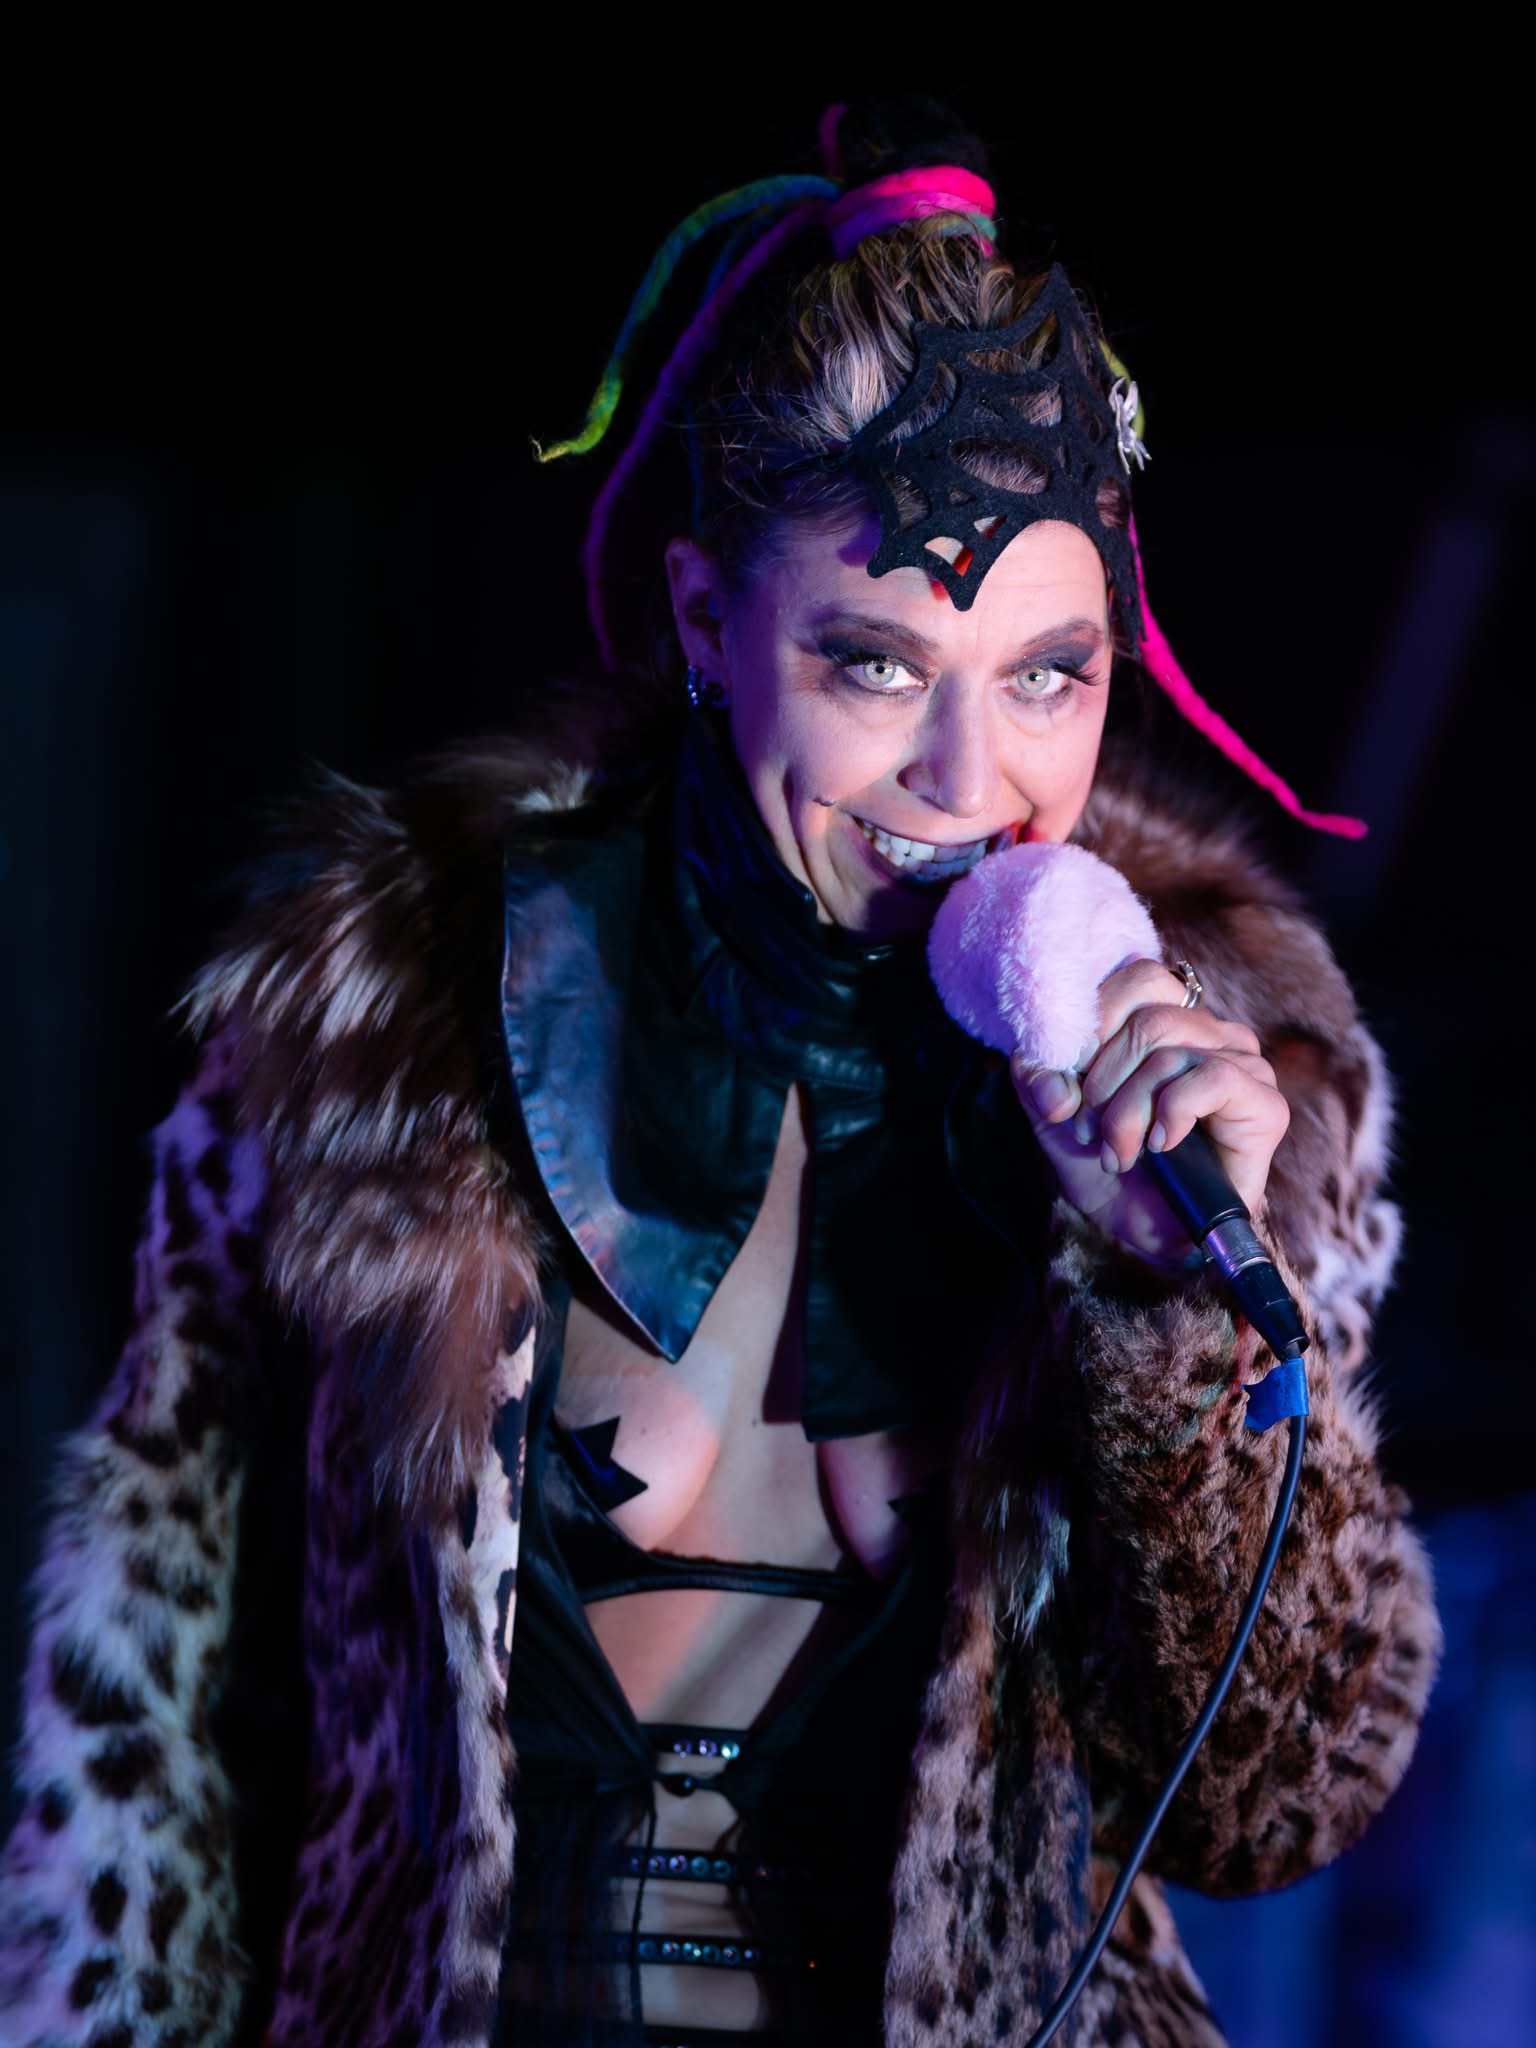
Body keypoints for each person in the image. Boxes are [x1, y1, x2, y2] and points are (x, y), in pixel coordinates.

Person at [0, 101, 1440, 2048]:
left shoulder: (1226, 1078)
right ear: (705, 621)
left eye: (1046, 673)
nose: (972, 780)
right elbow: (149, 1737)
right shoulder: (382, 1022)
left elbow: (1283, 1804)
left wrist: (1169, 1298)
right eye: (876, 664)